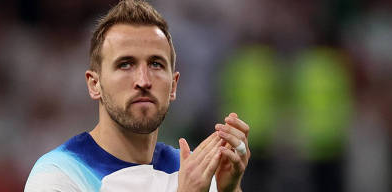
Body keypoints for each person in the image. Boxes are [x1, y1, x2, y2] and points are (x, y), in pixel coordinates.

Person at [24, 0, 251, 191]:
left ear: (173, 86)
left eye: (155, 64)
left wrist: (229, 189)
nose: (143, 80)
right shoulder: (60, 174)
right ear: (95, 84)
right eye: (125, 64)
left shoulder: (192, 170)